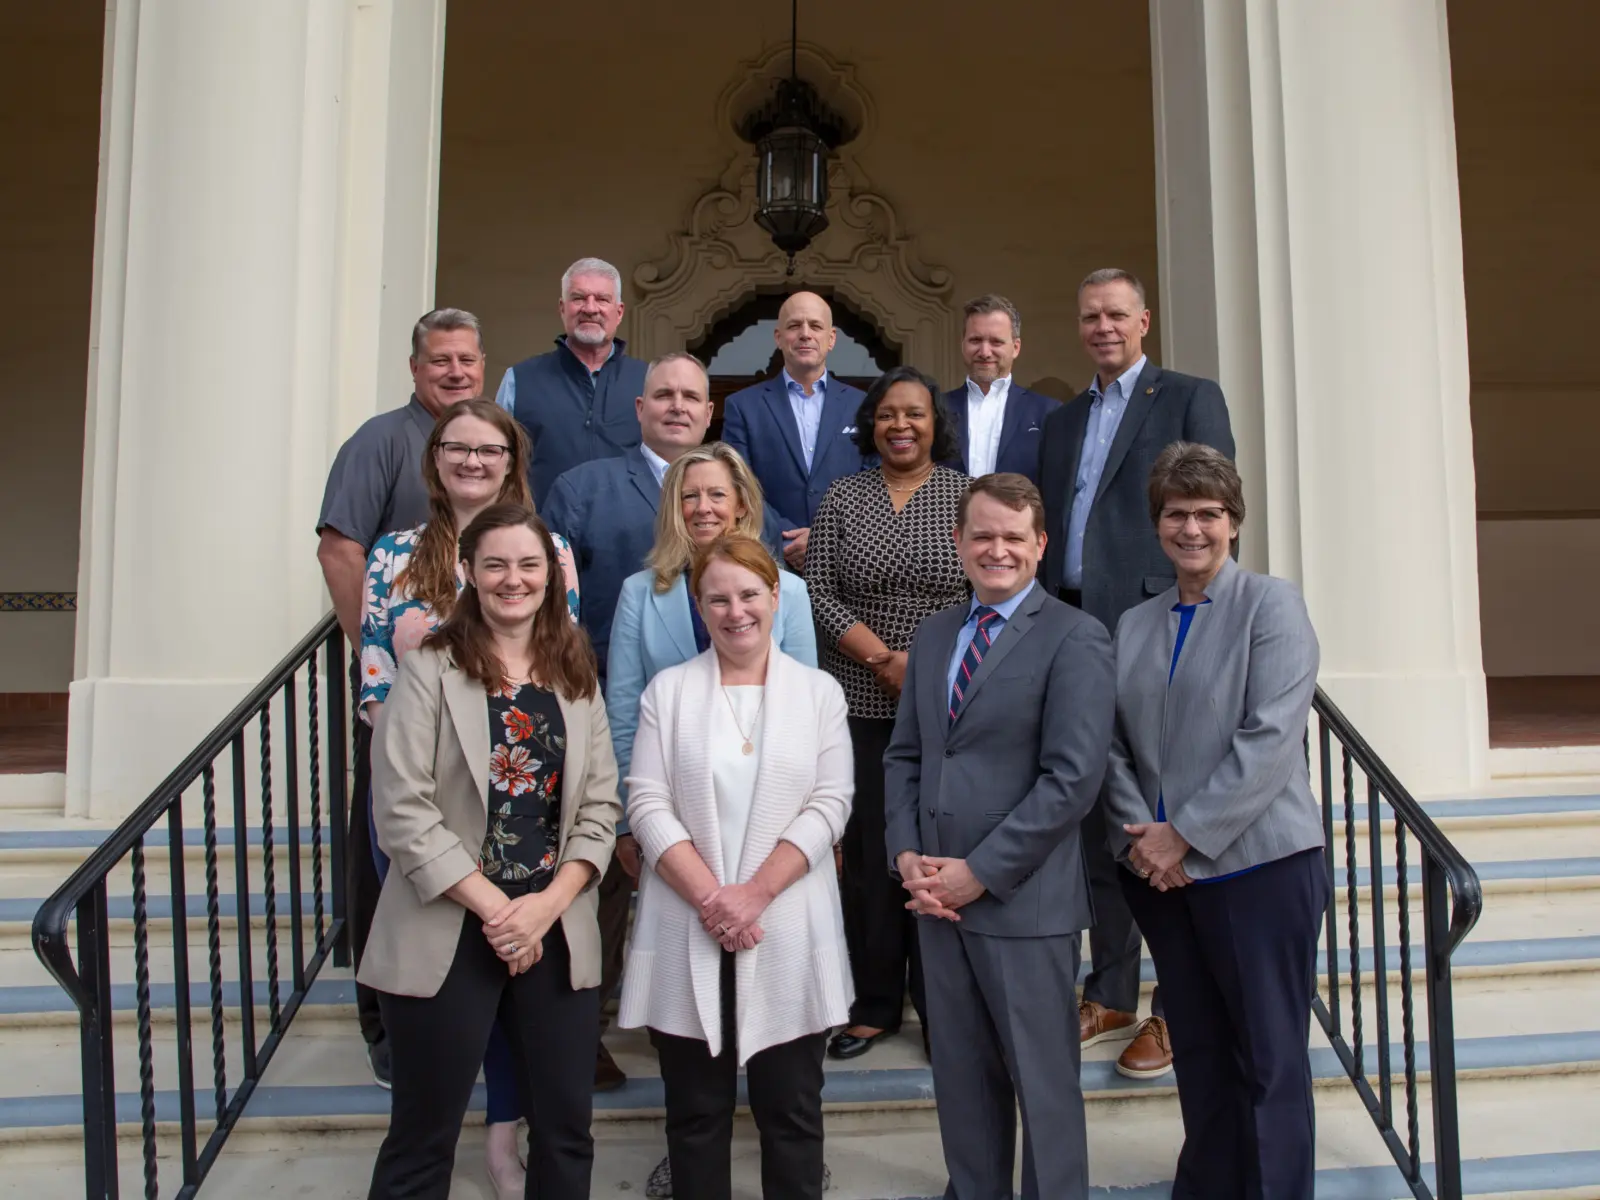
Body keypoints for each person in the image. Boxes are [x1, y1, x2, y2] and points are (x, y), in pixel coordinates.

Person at [362, 503, 620, 1199]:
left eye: (529, 565)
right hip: (449, 923)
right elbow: (403, 810)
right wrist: (499, 912)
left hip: (553, 925)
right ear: (469, 573)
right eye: (497, 564)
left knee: (566, 1131)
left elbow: (599, 810)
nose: (514, 579)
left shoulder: (576, 668)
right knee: (424, 1136)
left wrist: (543, 910)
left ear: (552, 575)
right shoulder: (429, 669)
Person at [1103, 443, 1327, 1198]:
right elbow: (1110, 745)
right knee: (1196, 1045)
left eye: (1208, 514)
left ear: (1233, 523)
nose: (1192, 528)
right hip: (1160, 879)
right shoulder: (1133, 624)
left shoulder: (1272, 605)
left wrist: (1184, 834)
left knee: (1268, 1054)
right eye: (1176, 514)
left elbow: (1268, 739)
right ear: (1156, 524)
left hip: (1259, 867)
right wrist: (1146, 839)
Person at [884, 473, 1115, 1200]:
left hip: (1022, 901)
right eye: (982, 535)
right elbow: (906, 756)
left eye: (1014, 537)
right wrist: (906, 857)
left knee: (1041, 1086)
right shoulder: (934, 632)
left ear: (1041, 545)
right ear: (959, 542)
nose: (997, 549)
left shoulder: (1076, 637)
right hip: (936, 901)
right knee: (962, 1075)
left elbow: (1072, 780)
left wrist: (979, 872)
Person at [1037, 268, 1235, 1078]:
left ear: (1144, 319)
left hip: (1159, 625)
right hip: (1074, 627)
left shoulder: (1187, 397)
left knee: (1168, 804)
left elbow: (1213, 510)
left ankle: (1177, 1010)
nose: (1103, 327)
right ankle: (1112, 990)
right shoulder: (1062, 421)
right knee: (1098, 813)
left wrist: (1201, 618)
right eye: (1090, 316)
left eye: (1117, 314)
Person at [619, 534, 853, 1200]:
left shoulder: (818, 694)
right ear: (699, 607)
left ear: (775, 598)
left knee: (792, 1116)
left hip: (785, 927)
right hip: (687, 925)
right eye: (717, 598)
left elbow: (830, 803)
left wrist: (753, 895)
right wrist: (712, 900)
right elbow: (648, 802)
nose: (735, 611)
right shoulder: (669, 692)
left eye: (749, 594)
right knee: (694, 1117)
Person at [315, 306, 487, 1087]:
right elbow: (339, 549)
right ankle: (383, 1023)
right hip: (401, 699)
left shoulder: (490, 441)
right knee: (383, 855)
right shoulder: (380, 440)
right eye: (440, 361)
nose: (455, 372)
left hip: (482, 706)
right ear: (415, 368)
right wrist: (373, 654)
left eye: (467, 361)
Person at [805, 364, 971, 1060]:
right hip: (861, 697)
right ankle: (872, 1002)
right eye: (887, 415)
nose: (901, 426)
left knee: (939, 850)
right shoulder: (843, 498)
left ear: (936, 425)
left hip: (951, 699)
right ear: (870, 426)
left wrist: (923, 667)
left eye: (916, 414)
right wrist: (884, 660)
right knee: (871, 856)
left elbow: (988, 587)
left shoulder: (967, 497)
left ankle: (945, 1009)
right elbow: (815, 589)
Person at [722, 291, 869, 572]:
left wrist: (824, 538)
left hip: (848, 565)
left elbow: (873, 484)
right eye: (794, 326)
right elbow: (739, 485)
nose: (805, 334)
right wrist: (786, 540)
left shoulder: (864, 406)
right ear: (778, 338)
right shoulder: (742, 407)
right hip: (771, 561)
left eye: (815, 326)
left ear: (832, 338)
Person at [495, 256, 648, 508]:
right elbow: (497, 463)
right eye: (578, 298)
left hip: (629, 537)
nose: (590, 308)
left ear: (618, 312)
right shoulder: (519, 380)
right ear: (562, 308)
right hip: (540, 535)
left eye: (601, 299)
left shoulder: (649, 381)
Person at [942, 294, 1058, 483]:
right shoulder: (935, 409)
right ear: (963, 345)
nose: (985, 352)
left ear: (1016, 348)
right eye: (975, 340)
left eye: (996, 342)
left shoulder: (1048, 413)